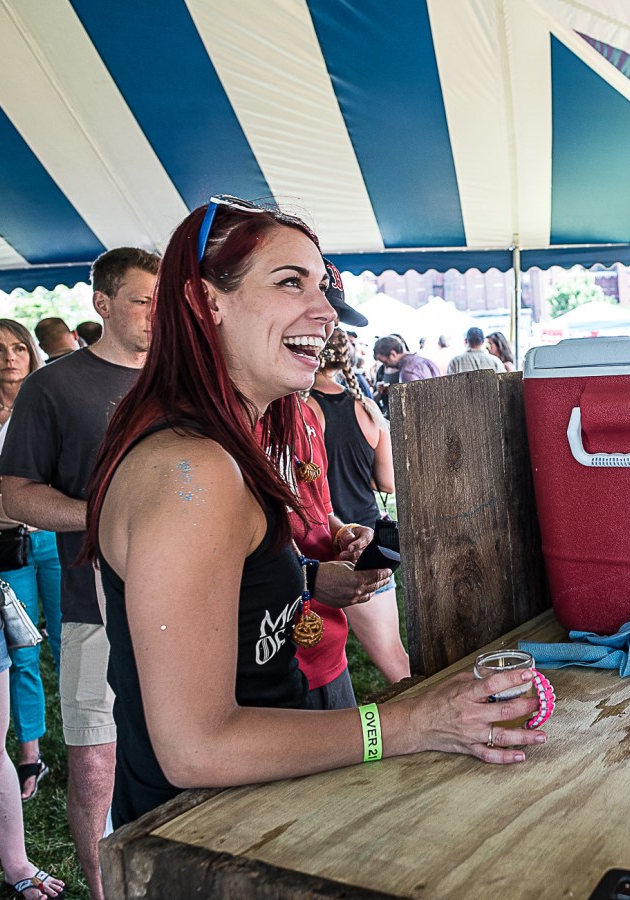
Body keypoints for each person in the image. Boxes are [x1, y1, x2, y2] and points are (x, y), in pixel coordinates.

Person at [82, 195, 543, 829]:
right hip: (203, 834)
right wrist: (409, 723)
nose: (325, 311)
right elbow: (195, 747)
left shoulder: (218, 448)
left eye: (321, 286)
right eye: (289, 282)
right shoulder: (192, 468)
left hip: (254, 811)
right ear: (204, 301)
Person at [0, 246, 158, 900]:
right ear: (103, 303)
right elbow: (17, 496)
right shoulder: (54, 386)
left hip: (191, 603)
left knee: (186, 746)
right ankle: (101, 890)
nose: (156, 314)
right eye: (143, 300)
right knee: (96, 763)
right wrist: (101, 515)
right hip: (95, 604)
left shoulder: (184, 381)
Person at [308, 328, 409, 683]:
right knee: (395, 658)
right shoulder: (366, 407)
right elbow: (387, 482)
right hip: (369, 540)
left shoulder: (304, 411)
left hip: (326, 541)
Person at [0, 320, 61, 802]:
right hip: (4, 542)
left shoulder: (49, 399)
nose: (9, 357)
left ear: (32, 352)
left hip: (55, 537)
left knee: (73, 637)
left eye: (18, 347)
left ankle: (92, 738)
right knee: (22, 650)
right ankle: (29, 752)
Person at [0, 486, 65, 899]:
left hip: (46, 538)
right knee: (24, 662)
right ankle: (30, 757)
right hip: (7, 543)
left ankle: (16, 864)